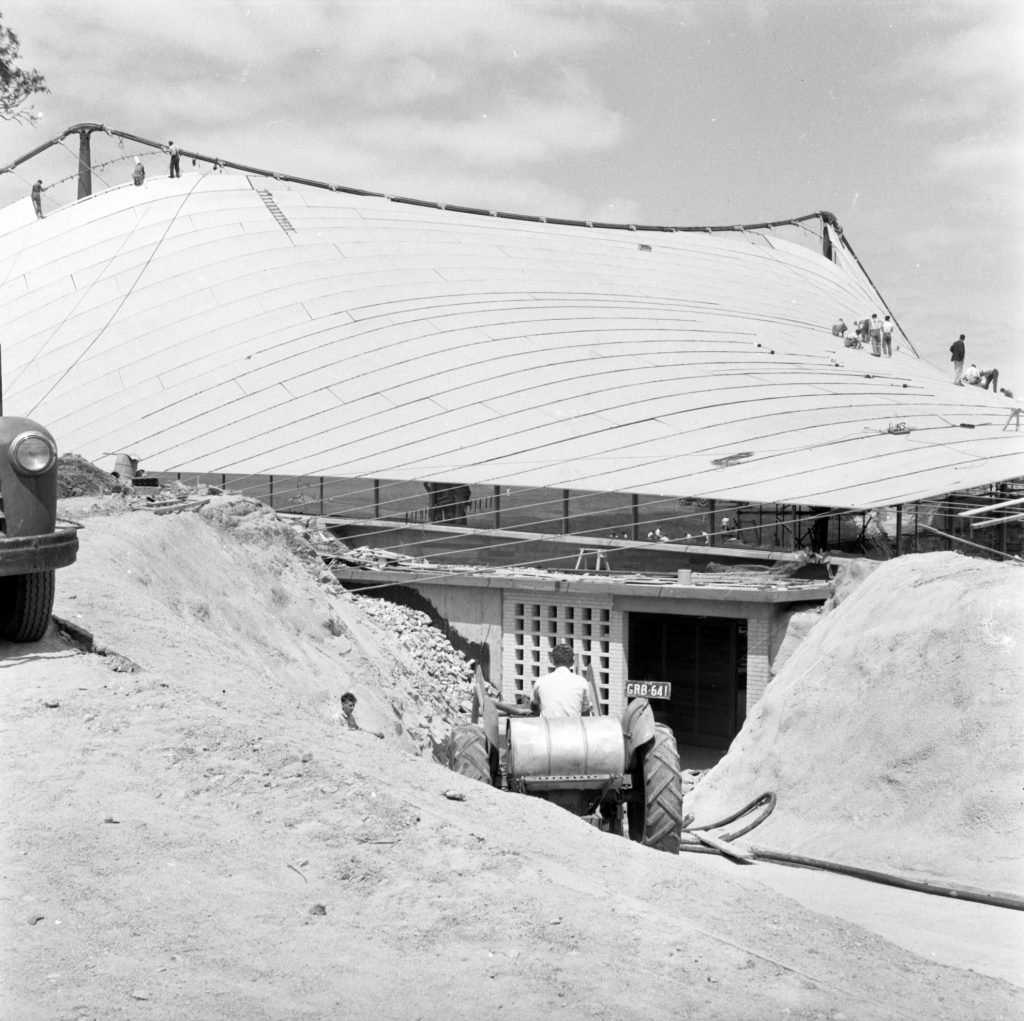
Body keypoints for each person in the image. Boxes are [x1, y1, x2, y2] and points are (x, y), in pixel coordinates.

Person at [529, 643, 593, 718]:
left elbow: (534, 706)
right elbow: (586, 713)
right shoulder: (582, 683)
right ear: (573, 662)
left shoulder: (541, 682)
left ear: (552, 660)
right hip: (573, 728)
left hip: (548, 728)